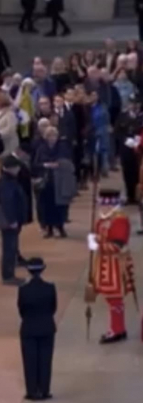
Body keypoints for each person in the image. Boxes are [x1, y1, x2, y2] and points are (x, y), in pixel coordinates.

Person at [87, 189, 136, 344]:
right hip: (104, 264)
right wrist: (95, 238)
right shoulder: (103, 219)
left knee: (115, 299)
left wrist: (97, 245)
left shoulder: (120, 220)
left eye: (105, 205)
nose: (103, 208)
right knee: (111, 299)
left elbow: (118, 245)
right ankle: (118, 328)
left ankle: (117, 330)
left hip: (115, 264)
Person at [18, 257, 56, 401]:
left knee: (30, 361)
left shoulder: (23, 290)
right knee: (45, 360)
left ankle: (32, 391)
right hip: (47, 327)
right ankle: (45, 390)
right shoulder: (50, 288)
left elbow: (21, 309)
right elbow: (53, 307)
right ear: (43, 269)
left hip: (28, 327)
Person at [32, 126, 73, 238]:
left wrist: (59, 164)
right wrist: (45, 165)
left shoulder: (62, 147)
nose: (52, 138)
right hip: (47, 181)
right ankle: (49, 228)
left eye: (54, 135)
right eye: (49, 136)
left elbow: (68, 161)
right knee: (47, 206)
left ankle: (60, 227)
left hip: (60, 181)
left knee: (60, 206)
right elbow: (35, 164)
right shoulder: (41, 149)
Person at [0, 156, 27, 286]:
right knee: (9, 248)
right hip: (10, 221)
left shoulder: (9, 181)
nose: (18, 169)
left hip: (12, 220)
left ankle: (9, 274)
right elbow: (7, 203)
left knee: (11, 247)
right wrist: (11, 220)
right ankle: (8, 276)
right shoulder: (7, 183)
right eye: (17, 167)